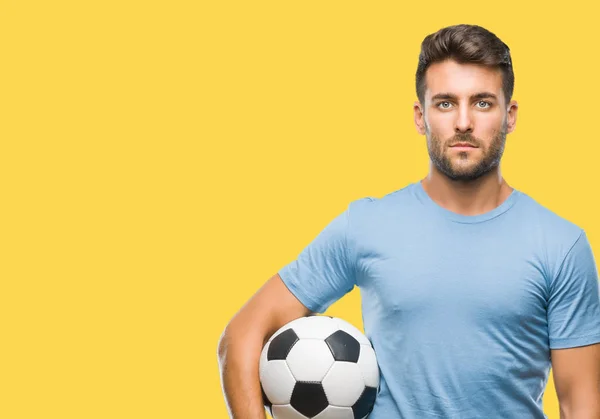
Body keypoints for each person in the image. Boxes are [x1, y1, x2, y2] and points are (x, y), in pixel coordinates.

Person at [217, 24, 600, 418]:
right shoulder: (366, 225)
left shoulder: (561, 245)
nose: (464, 123)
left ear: (510, 115)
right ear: (420, 116)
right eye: (445, 103)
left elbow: (580, 404)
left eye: (483, 103)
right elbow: (243, 336)